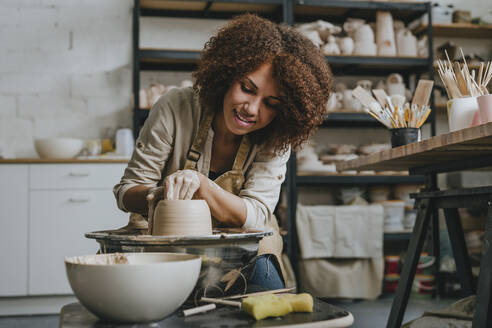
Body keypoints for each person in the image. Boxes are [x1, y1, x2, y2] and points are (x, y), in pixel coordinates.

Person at [113, 13, 332, 290]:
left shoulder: (277, 136)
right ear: (228, 75)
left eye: (271, 103)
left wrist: (203, 187)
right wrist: (158, 196)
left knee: (266, 295)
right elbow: (126, 191)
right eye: (246, 89)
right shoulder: (176, 107)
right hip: (165, 241)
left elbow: (255, 214)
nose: (251, 109)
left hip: (243, 249)